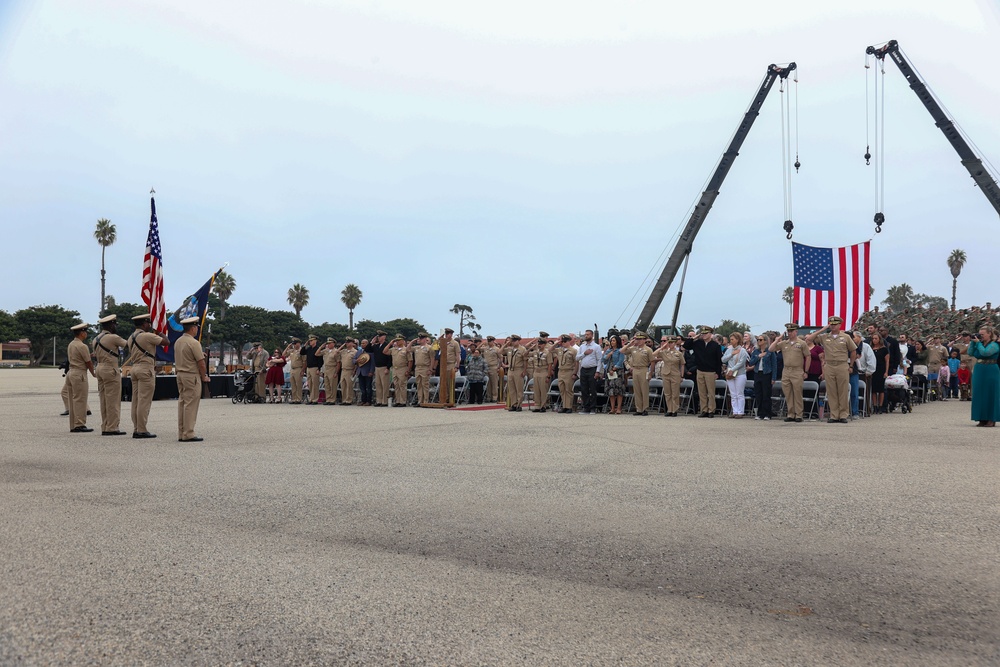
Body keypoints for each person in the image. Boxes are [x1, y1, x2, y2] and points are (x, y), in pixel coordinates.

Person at [807, 316, 858, 424]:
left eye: (835, 324)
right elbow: (809, 339)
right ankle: (834, 415)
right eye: (831, 324)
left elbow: (853, 351)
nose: (833, 326)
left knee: (843, 391)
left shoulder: (845, 337)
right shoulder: (825, 336)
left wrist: (851, 365)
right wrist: (822, 329)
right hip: (829, 365)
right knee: (831, 391)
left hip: (842, 365)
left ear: (840, 325)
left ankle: (843, 415)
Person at [126, 313, 169, 439]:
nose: (150, 325)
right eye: (148, 323)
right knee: (144, 401)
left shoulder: (131, 337)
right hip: (145, 369)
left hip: (134, 368)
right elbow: (166, 342)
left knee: (136, 401)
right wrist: (159, 332)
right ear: (144, 323)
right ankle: (142, 429)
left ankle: (136, 428)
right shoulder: (147, 336)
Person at [174, 317, 209, 442]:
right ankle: (188, 432)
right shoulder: (194, 343)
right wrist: (204, 376)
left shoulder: (178, 341)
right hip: (191, 375)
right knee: (191, 404)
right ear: (193, 328)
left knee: (182, 402)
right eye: (196, 328)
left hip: (180, 374)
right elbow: (201, 363)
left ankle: (182, 431)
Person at [92, 314, 129, 435]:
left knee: (103, 399)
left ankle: (105, 425)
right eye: (114, 324)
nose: (115, 326)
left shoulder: (95, 339)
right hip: (110, 369)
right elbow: (129, 344)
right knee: (113, 400)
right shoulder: (113, 337)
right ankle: (112, 427)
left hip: (100, 368)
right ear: (110, 325)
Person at [769, 324, 810, 422]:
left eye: (791, 331)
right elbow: (771, 349)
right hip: (786, 370)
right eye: (788, 331)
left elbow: (808, 356)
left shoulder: (802, 343)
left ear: (796, 332)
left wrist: (806, 371)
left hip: (797, 370)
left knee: (797, 393)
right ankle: (791, 414)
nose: (790, 333)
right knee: (788, 393)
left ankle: (799, 414)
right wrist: (777, 339)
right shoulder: (784, 343)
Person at [683, 326, 723, 418]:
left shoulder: (715, 345)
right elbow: (686, 345)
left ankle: (711, 410)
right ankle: (704, 409)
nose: (704, 335)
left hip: (711, 371)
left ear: (710, 334)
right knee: (702, 392)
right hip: (700, 370)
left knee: (711, 392)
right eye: (703, 333)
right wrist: (694, 337)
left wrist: (717, 372)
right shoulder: (698, 343)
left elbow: (718, 361)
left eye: (706, 333)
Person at [66, 322, 96, 432]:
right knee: (80, 399)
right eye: (85, 331)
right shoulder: (82, 346)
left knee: (72, 399)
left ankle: (73, 424)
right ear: (82, 333)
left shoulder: (72, 344)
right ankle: (80, 424)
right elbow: (88, 362)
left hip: (71, 372)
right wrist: (93, 373)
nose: (86, 333)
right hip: (79, 373)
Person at [968, 327, 998, 426]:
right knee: (979, 393)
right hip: (979, 369)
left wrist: (978, 343)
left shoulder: (994, 344)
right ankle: (981, 417)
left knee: (991, 393)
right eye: (979, 334)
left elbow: (986, 352)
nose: (980, 336)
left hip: (991, 369)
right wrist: (972, 342)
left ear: (989, 334)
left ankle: (991, 418)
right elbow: (970, 353)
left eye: (983, 334)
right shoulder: (978, 343)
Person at [623, 332, 655, 415]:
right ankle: (639, 409)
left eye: (640, 339)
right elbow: (622, 351)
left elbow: (652, 362)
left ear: (644, 340)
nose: (638, 341)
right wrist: (630, 343)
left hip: (644, 369)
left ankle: (645, 408)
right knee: (636, 390)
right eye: (637, 339)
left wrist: (651, 373)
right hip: (635, 370)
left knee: (644, 390)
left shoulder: (648, 349)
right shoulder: (633, 348)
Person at [654, 335, 685, 417]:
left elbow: (682, 364)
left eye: (671, 342)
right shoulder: (664, 352)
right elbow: (653, 354)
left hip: (675, 374)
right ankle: (669, 409)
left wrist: (682, 375)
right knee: (667, 393)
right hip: (666, 374)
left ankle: (675, 410)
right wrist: (663, 347)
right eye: (669, 342)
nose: (670, 344)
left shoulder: (678, 353)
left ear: (675, 343)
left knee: (675, 393)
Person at [722, 332, 750, 418]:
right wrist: (732, 354)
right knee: (733, 394)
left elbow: (741, 363)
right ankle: (735, 411)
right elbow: (723, 359)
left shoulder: (743, 351)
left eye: (732, 339)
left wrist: (733, 369)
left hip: (740, 374)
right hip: (730, 374)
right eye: (730, 339)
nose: (731, 341)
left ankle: (740, 412)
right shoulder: (729, 350)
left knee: (739, 393)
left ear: (737, 340)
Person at [575, 329, 603, 414]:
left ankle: (593, 408)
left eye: (587, 335)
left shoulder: (596, 346)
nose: (586, 336)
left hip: (592, 369)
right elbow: (577, 358)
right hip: (584, 369)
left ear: (592, 335)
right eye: (585, 334)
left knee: (592, 389)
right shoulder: (582, 347)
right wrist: (584, 353)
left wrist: (597, 371)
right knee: (584, 389)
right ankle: (586, 408)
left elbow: (599, 360)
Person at [748, 333, 774, 420]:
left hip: (766, 374)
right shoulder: (756, 351)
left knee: (766, 394)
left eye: (761, 340)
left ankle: (767, 413)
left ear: (766, 341)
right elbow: (751, 362)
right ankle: (760, 413)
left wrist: (773, 377)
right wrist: (758, 357)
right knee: (758, 394)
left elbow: (774, 365)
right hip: (757, 373)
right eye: (758, 340)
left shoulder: (770, 351)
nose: (759, 341)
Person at [432, 328, 462, 405]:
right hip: (442, 365)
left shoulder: (455, 343)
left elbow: (457, 355)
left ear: (451, 334)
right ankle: (443, 398)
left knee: (450, 383)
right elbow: (433, 348)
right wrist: (438, 340)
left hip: (450, 364)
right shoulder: (442, 342)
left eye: (449, 334)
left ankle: (450, 399)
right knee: (442, 383)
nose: (448, 335)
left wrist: (457, 366)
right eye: (446, 333)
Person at [526, 332, 554, 412]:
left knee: (543, 390)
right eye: (539, 343)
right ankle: (537, 406)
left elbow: (549, 365)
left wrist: (548, 376)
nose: (539, 345)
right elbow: (525, 354)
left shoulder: (547, 352)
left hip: (544, 371)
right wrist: (531, 347)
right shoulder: (535, 352)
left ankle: (543, 406)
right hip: (536, 372)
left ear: (545, 344)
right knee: (536, 390)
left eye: (541, 344)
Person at [852, 330, 876, 418]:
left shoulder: (866, 347)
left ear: (859, 337)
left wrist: (869, 372)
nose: (853, 339)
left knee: (863, 393)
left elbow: (871, 360)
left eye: (854, 337)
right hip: (853, 372)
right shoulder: (850, 346)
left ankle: (864, 410)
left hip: (864, 373)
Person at [503, 335, 528, 411]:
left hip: (518, 370)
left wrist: (524, 371)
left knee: (519, 389)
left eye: (514, 341)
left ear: (518, 341)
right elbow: (499, 352)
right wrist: (506, 344)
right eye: (512, 341)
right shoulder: (510, 349)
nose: (513, 342)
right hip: (510, 370)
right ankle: (514, 404)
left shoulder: (522, 349)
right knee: (512, 389)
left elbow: (525, 361)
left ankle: (519, 405)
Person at [602, 334, 626, 415]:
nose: (612, 342)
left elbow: (621, 361)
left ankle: (618, 408)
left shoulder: (620, 350)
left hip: (618, 371)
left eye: (613, 341)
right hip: (609, 371)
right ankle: (612, 408)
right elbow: (603, 360)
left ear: (617, 342)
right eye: (611, 341)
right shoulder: (609, 350)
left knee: (618, 390)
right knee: (611, 389)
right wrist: (608, 355)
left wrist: (614, 368)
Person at [554, 334, 577, 413]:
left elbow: (576, 363)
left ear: (568, 342)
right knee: (562, 389)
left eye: (564, 341)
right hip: (561, 371)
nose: (563, 343)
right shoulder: (560, 349)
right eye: (562, 341)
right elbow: (550, 350)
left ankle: (569, 407)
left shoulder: (573, 350)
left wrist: (575, 373)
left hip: (568, 371)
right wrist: (557, 343)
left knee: (569, 389)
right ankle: (564, 406)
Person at [409, 333, 433, 405]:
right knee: (419, 385)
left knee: (425, 385)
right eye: (419, 338)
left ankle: (426, 401)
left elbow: (432, 359)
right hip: (418, 368)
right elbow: (408, 349)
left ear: (425, 339)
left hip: (425, 367)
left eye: (421, 338)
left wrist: (430, 369)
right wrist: (412, 341)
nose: (419, 340)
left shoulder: (429, 348)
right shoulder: (416, 347)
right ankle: (420, 401)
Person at [388, 334, 411, 406]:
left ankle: (403, 401)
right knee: (396, 385)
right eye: (396, 340)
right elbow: (385, 351)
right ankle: (397, 401)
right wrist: (390, 343)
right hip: (395, 369)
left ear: (403, 341)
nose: (397, 342)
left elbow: (410, 361)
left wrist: (408, 370)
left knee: (402, 385)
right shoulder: (394, 349)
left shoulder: (406, 349)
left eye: (398, 340)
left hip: (402, 368)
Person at [869, 332, 889, 414]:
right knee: (873, 389)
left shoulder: (884, 349)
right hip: (873, 370)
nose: (874, 340)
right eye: (873, 339)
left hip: (881, 370)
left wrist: (886, 372)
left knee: (881, 390)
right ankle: (875, 406)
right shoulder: (870, 348)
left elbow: (887, 361)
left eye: (876, 338)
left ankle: (880, 406)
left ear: (879, 339)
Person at [301, 335, 324, 404]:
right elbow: (302, 352)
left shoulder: (318, 349)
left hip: (315, 368)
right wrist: (305, 345)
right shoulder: (309, 349)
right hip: (309, 368)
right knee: (310, 384)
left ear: (315, 341)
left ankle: (315, 399)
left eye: (311, 341)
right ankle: (311, 398)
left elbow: (320, 360)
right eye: (309, 341)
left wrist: (318, 369)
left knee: (315, 384)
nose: (310, 342)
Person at [480, 336, 503, 403]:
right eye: (488, 341)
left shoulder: (496, 349)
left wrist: (499, 366)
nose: (489, 342)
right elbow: (478, 348)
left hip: (493, 367)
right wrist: (483, 343)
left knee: (494, 383)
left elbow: (500, 358)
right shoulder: (485, 348)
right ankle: (488, 397)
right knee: (488, 383)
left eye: (490, 341)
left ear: (493, 341)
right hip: (486, 367)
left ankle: (494, 397)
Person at [372, 330, 392, 407]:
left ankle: (385, 401)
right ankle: (379, 400)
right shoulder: (376, 346)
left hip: (384, 367)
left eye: (380, 336)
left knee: (385, 385)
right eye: (378, 336)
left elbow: (390, 358)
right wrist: (372, 342)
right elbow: (368, 349)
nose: (378, 338)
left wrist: (388, 367)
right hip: (377, 367)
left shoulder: (387, 346)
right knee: (378, 385)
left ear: (384, 337)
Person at [281, 338, 305, 403]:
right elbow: (283, 355)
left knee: (298, 385)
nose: (294, 345)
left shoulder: (302, 351)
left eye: (295, 344)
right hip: (292, 369)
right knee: (293, 385)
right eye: (293, 344)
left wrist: (303, 370)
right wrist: (288, 347)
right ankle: (294, 398)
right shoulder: (292, 351)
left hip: (298, 368)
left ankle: (299, 399)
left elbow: (304, 361)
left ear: (299, 344)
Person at [319, 338, 340, 405]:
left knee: (332, 385)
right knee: (327, 385)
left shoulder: (336, 351)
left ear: (333, 344)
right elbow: (317, 354)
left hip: (332, 368)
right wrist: (321, 347)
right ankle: (328, 399)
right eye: (327, 343)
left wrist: (336, 372)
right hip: (326, 369)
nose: (328, 345)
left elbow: (338, 363)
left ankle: (332, 400)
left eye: (330, 343)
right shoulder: (326, 351)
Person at [355, 341, 375, 406]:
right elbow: (353, 359)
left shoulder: (370, 352)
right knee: (362, 388)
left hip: (367, 372)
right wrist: (356, 361)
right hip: (360, 372)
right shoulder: (358, 351)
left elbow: (372, 363)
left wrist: (371, 371)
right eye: (361, 343)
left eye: (364, 343)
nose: (362, 344)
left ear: (367, 344)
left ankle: (369, 401)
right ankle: (363, 400)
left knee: (368, 387)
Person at [338, 340, 357, 404]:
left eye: (348, 342)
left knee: (349, 386)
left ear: (352, 343)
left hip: (350, 370)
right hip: (343, 370)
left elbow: (356, 363)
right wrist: (343, 345)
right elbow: (336, 352)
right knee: (343, 385)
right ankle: (344, 400)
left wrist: (354, 371)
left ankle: (349, 400)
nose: (347, 344)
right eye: (346, 342)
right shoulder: (344, 351)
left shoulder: (355, 351)